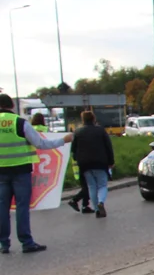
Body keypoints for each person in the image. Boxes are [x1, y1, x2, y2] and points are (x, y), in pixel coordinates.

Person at [0, 94, 73, 253]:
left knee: (2, 208)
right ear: (12, 105)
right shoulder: (20, 123)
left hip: (1, 172)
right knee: (21, 207)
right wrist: (63, 140)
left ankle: (4, 244)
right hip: (21, 171)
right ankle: (26, 242)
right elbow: (40, 143)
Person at [71, 110, 114, 219]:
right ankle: (100, 202)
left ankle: (96, 209)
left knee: (91, 186)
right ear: (94, 119)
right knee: (102, 185)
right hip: (100, 162)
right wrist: (111, 161)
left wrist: (77, 159)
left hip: (84, 164)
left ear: (83, 120)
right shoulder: (100, 131)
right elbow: (108, 146)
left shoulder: (78, 132)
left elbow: (73, 149)